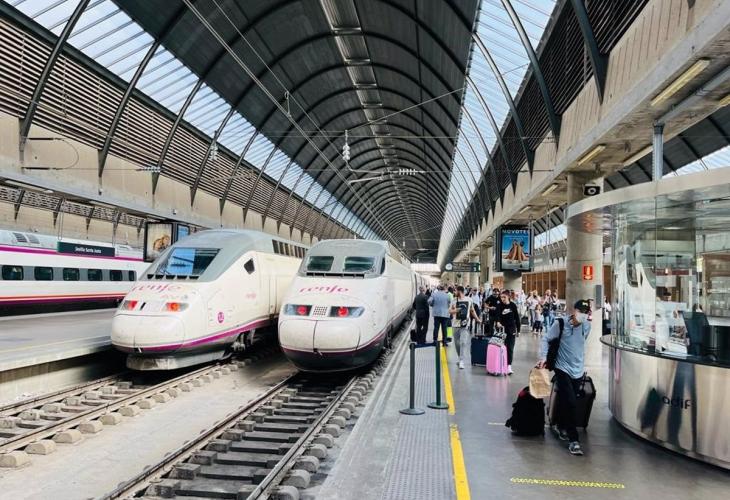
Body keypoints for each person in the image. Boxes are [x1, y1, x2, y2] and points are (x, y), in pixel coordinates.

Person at [537, 299, 592, 456]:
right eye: (580, 311)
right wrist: (544, 357)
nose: (583, 315)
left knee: (565, 400)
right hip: (562, 368)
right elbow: (546, 339)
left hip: (578, 370)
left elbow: (581, 344)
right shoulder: (560, 324)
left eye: (586, 312)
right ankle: (574, 440)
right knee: (571, 402)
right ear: (574, 311)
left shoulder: (587, 326)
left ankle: (561, 425)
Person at [450, 285, 482, 369]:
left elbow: (472, 311)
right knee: (457, 343)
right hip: (455, 325)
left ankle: (461, 360)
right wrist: (455, 310)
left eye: (455, 291)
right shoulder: (453, 300)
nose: (454, 292)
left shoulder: (469, 300)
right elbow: (449, 311)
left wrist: (477, 319)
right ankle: (459, 357)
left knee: (463, 342)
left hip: (465, 324)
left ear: (459, 291)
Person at [495, 291, 519, 375]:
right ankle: (499, 365)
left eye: (504, 297)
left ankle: (509, 366)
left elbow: (517, 318)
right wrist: (498, 322)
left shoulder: (513, 305)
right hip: (501, 329)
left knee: (510, 348)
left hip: (511, 329)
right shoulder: (499, 305)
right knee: (500, 347)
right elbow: (497, 315)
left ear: (508, 297)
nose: (502, 299)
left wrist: (518, 330)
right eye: (501, 297)